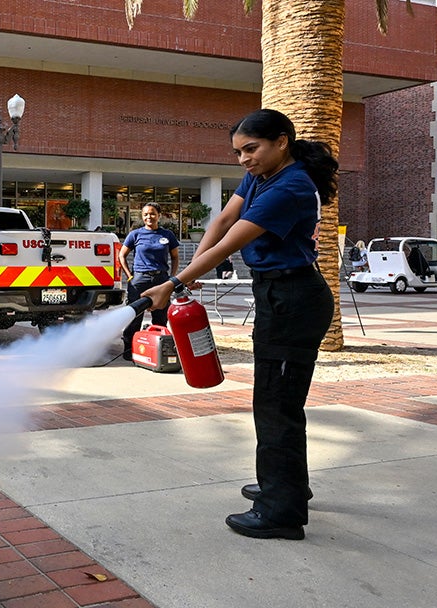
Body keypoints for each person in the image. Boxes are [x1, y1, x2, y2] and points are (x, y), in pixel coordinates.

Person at [141, 109, 338, 540]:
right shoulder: (262, 174)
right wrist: (187, 274)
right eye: (238, 152)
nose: (243, 159)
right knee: (279, 401)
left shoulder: (289, 186)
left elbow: (232, 243)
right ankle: (287, 487)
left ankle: (281, 512)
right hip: (279, 296)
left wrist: (174, 282)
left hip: (294, 300)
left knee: (275, 405)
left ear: (281, 141)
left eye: (251, 149)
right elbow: (222, 221)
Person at [118, 202, 180, 360]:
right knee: (134, 317)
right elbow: (121, 255)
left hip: (161, 279)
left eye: (152, 213)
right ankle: (128, 350)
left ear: (159, 215)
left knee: (160, 316)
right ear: (142, 216)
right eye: (145, 214)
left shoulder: (167, 235)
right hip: (139, 279)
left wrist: (172, 279)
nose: (149, 217)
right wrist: (129, 276)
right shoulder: (135, 234)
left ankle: (157, 350)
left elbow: (175, 257)